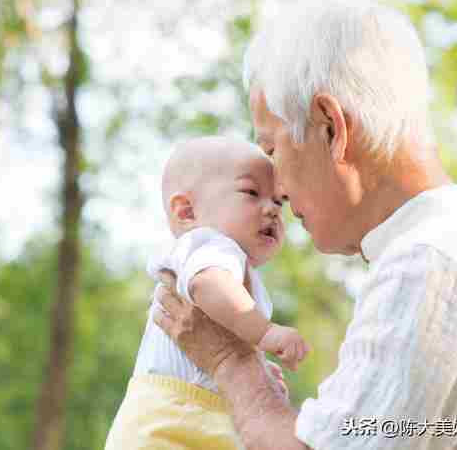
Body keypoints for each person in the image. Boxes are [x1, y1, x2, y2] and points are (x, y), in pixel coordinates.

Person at [153, 0, 457, 450]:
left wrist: (229, 361)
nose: (276, 188)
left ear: (331, 127)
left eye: (272, 149)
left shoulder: (426, 263)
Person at [105, 136, 310, 450]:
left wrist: (259, 370)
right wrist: (266, 333)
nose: (271, 209)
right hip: (168, 420)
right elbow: (208, 286)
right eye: (251, 193)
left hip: (199, 417)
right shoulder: (208, 245)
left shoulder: (240, 268)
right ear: (187, 212)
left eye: (278, 202)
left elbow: (218, 338)